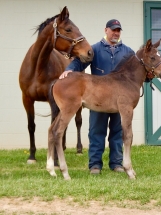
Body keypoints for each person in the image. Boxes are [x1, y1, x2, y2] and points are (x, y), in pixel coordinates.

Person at [59, 19, 135, 174]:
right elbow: (78, 63)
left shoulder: (128, 52)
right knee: (96, 131)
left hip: (119, 99)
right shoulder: (95, 49)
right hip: (98, 98)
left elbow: (136, 71)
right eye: (113, 29)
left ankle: (116, 163)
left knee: (117, 131)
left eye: (118, 30)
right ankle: (95, 164)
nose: (116, 32)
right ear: (106, 30)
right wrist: (69, 70)